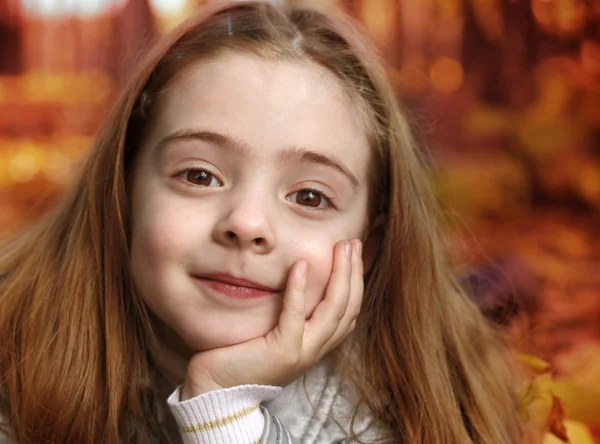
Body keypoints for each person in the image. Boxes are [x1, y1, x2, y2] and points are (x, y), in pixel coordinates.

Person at [0, 1, 525, 442]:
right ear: (124, 186)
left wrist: (222, 408)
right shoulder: (14, 347)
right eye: (200, 176)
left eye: (311, 196)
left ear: (371, 238)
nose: (247, 223)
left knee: (486, 292)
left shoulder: (404, 404)